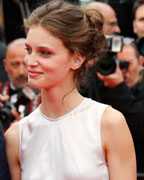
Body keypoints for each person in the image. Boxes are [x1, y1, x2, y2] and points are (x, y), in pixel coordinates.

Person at [5, 1, 136, 179]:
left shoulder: (108, 123)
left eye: (44, 52)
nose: (30, 61)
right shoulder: (17, 135)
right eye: (29, 50)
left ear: (76, 60)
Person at [81, 42, 144, 175]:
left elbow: (140, 128)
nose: (120, 70)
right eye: (115, 64)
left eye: (126, 64)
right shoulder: (97, 86)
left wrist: (119, 88)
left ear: (141, 62)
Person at [0, 38, 41, 130]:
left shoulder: (47, 95)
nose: (21, 72)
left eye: (26, 64)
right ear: (6, 65)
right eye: (15, 64)